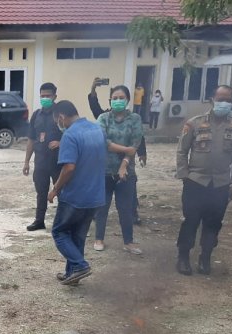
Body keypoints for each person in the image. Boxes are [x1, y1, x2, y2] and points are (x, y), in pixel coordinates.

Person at [175, 85, 232, 276]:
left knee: (214, 223)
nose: (224, 103)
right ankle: (183, 258)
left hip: (221, 184)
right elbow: (182, 151)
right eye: (220, 98)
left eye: (228, 100)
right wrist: (184, 176)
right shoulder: (194, 123)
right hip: (196, 181)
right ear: (212, 99)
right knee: (190, 221)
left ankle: (205, 257)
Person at [48, 101, 107, 285]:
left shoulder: (70, 135)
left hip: (75, 196)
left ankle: (80, 265)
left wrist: (55, 188)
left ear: (61, 117)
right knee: (77, 236)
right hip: (96, 195)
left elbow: (69, 167)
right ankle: (72, 274)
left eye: (57, 120)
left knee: (59, 232)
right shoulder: (97, 129)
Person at [94, 85, 144, 255]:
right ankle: (99, 238)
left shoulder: (135, 119)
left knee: (126, 208)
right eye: (114, 98)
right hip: (104, 170)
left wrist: (124, 162)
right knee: (102, 207)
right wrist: (125, 150)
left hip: (126, 172)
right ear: (110, 100)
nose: (117, 101)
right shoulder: (103, 118)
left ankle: (128, 242)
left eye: (121, 97)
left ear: (127, 99)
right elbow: (102, 141)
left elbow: (135, 143)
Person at [22, 82, 62, 231]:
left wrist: (61, 142)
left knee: (61, 192)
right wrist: (26, 161)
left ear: (54, 96)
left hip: (59, 161)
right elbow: (31, 139)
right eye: (42, 96)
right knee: (41, 192)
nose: (45, 98)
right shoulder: (36, 115)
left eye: (48, 96)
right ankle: (39, 221)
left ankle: (63, 223)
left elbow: (72, 134)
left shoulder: (60, 114)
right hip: (41, 161)